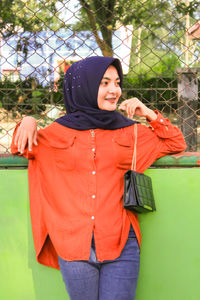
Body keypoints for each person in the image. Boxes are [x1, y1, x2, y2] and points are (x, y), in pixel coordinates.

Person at [11, 56, 186, 300]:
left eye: (117, 82)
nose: (114, 90)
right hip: (73, 242)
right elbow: (22, 147)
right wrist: (27, 121)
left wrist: (147, 112)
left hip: (121, 241)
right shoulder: (55, 134)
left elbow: (175, 142)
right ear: (84, 86)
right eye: (104, 83)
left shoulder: (131, 132)